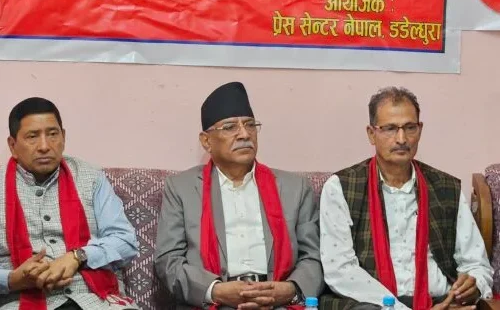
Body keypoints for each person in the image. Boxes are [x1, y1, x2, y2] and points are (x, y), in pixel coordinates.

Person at [320, 87, 493, 310]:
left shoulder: (446, 187)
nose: (401, 139)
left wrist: (473, 286)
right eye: (390, 129)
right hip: (370, 304)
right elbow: (340, 270)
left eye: (410, 128)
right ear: (371, 134)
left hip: (440, 302)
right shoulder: (341, 187)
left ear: (420, 130)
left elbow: (476, 264)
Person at [154, 81, 323, 309]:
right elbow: (168, 260)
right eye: (230, 127)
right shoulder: (181, 188)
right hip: (213, 303)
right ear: (206, 141)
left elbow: (314, 257)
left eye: (250, 125)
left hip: (279, 303)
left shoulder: (294, 188)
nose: (244, 134)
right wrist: (215, 291)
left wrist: (290, 289)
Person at [0, 97, 139, 309]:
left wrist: (78, 257)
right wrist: (12, 280)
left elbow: (126, 241)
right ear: (13, 145)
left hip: (95, 298)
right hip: (20, 301)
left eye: (52, 134)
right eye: (32, 137)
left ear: (63, 137)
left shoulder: (91, 178)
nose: (44, 146)